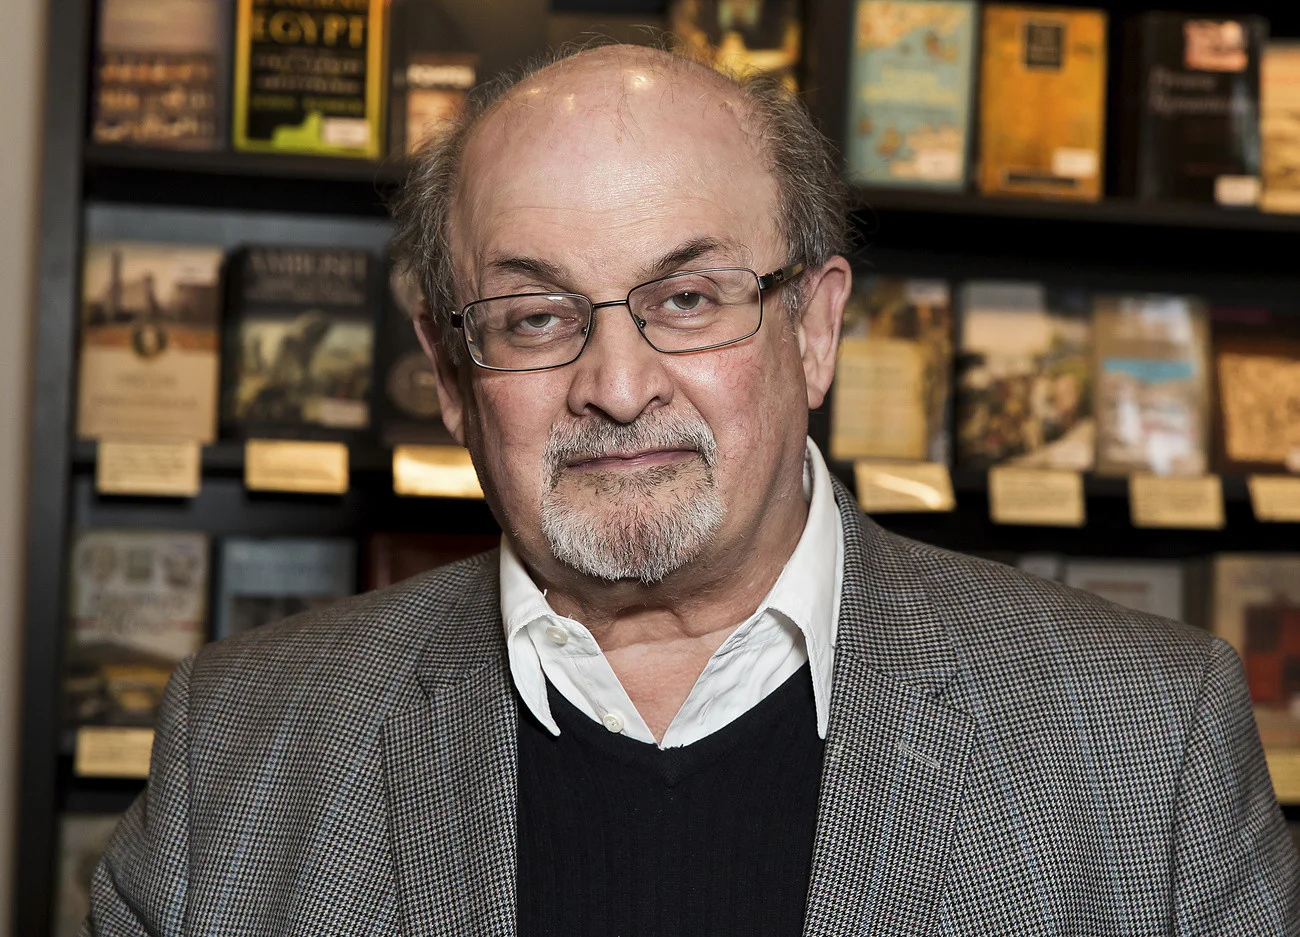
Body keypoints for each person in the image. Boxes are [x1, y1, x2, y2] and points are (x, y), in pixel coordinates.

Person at [84, 44, 1298, 936]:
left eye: (686, 298)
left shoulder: (1147, 741)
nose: (617, 387)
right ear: (451, 377)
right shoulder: (237, 750)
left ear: (813, 330)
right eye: (533, 316)